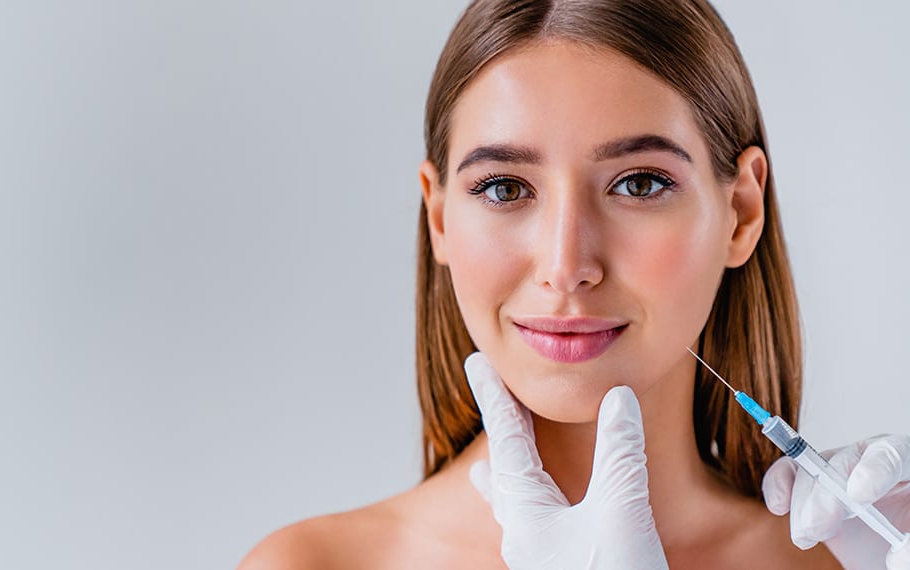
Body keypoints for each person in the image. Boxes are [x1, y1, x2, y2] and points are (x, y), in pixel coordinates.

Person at [240, 0, 910, 567]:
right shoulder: (312, 565)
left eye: (639, 184)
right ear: (439, 217)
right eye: (504, 188)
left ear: (742, 212)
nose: (566, 265)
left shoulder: (851, 557)